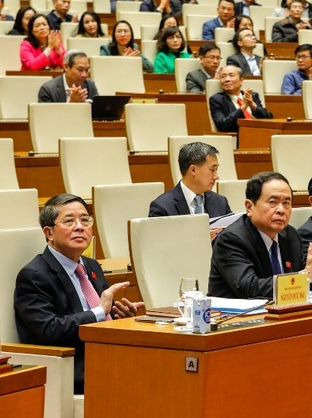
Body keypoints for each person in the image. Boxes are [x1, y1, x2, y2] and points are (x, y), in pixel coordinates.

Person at [14, 194, 143, 394]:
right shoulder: (34, 275)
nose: (80, 227)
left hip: (105, 355)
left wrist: (120, 316)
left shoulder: (91, 266)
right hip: (72, 367)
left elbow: (103, 317)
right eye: (69, 221)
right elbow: (49, 330)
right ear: (49, 232)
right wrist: (99, 311)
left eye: (85, 220)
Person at [208, 172, 312, 299]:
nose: (281, 210)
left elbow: (305, 276)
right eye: (273, 202)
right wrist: (305, 276)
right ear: (249, 207)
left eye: (286, 203)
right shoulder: (232, 239)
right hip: (235, 315)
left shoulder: (290, 235)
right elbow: (249, 288)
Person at [149, 142, 232, 220]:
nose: (216, 177)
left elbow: (232, 229)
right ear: (193, 170)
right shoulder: (162, 207)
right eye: (212, 169)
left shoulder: (221, 202)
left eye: (216, 170)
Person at [209, 64, 272, 132]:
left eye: (231, 75)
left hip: (261, 133)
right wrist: (243, 107)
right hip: (240, 135)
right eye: (223, 76)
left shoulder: (252, 96)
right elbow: (223, 126)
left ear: (241, 80)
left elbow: (270, 120)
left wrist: (253, 105)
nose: (227, 79)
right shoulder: (217, 100)